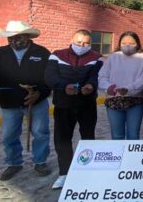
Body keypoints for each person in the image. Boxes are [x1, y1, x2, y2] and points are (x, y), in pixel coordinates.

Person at [0, 21, 51, 181]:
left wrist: (39, 93)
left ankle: (40, 162)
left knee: (40, 133)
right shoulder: (0, 54)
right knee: (8, 136)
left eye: (19, 36)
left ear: (28, 36)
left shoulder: (42, 53)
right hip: (9, 104)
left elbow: (50, 79)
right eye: (11, 37)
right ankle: (14, 163)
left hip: (36, 102)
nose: (14, 40)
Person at [45, 29, 102, 190]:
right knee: (62, 140)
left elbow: (96, 75)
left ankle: (87, 171)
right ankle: (64, 173)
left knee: (88, 137)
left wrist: (91, 86)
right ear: (72, 40)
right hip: (63, 105)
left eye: (86, 43)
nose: (82, 46)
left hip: (87, 105)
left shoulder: (96, 57)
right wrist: (64, 86)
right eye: (79, 42)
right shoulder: (57, 55)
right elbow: (50, 77)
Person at [98, 31, 143, 140]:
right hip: (113, 100)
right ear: (119, 43)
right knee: (117, 136)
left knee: (133, 136)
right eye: (124, 42)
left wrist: (128, 89)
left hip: (135, 100)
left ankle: (133, 157)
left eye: (131, 43)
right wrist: (108, 87)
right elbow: (102, 76)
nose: (127, 45)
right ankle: (119, 157)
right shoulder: (113, 56)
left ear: (138, 43)